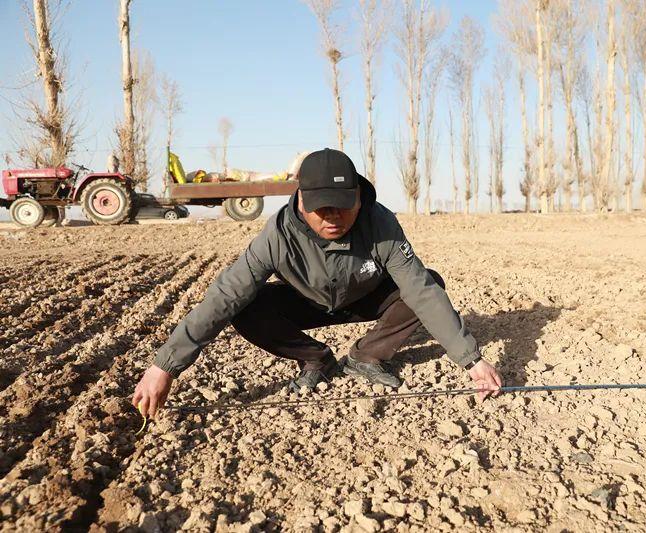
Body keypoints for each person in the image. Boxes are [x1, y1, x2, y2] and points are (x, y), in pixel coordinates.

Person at [132, 148, 502, 417]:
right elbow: (223, 297)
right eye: (322, 207)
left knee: (428, 283)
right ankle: (316, 360)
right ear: (302, 202)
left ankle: (367, 356)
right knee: (245, 306)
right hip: (307, 303)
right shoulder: (277, 236)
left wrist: (471, 360)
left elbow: (420, 289)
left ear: (359, 196)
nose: (333, 217)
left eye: (343, 205)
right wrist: (163, 366)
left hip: (365, 294)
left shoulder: (380, 222)